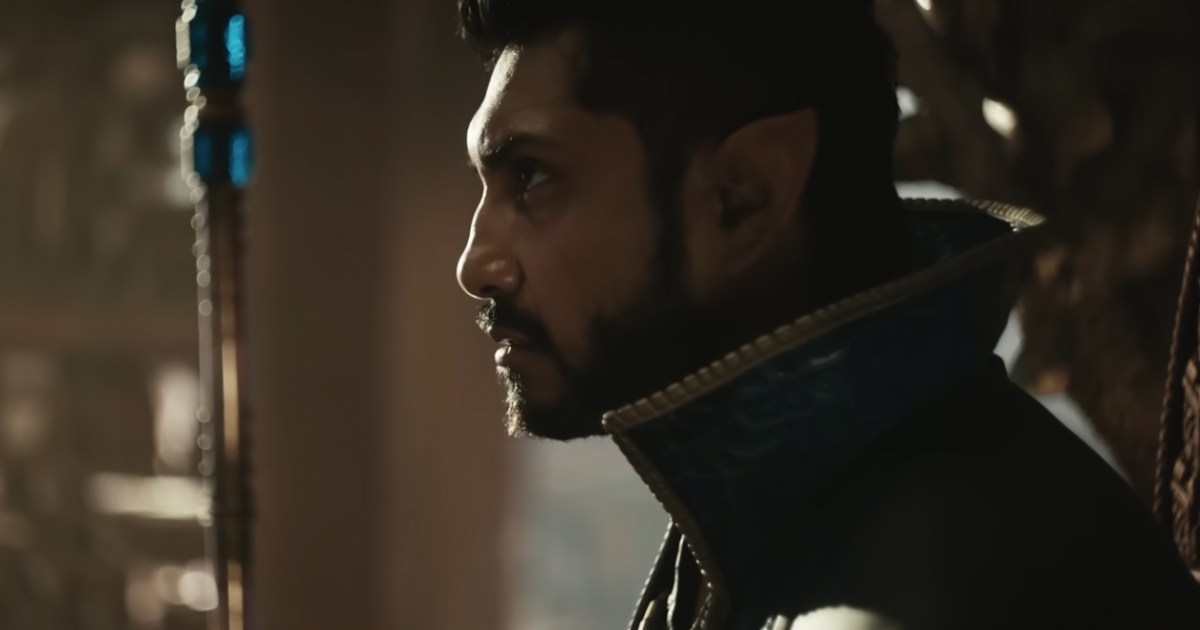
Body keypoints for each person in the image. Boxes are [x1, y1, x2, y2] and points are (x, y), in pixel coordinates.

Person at [452, 1, 1200, 628]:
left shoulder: (932, 577)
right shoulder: (783, 518)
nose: (476, 264)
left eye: (532, 176)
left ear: (745, 195)